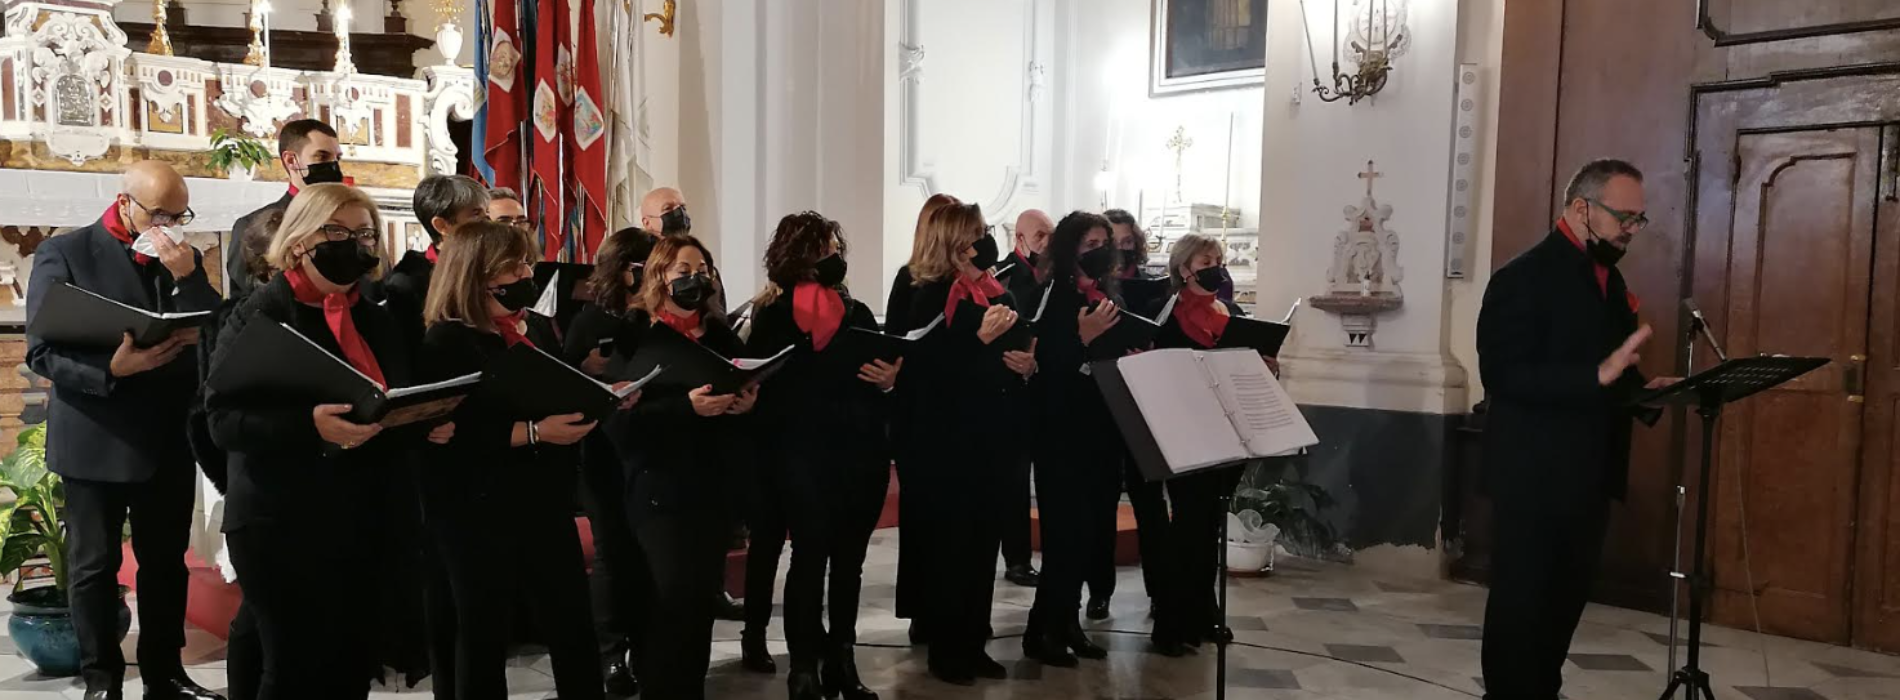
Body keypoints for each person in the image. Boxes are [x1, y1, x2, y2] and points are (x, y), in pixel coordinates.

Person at [205, 184, 453, 699]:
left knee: (351, 660)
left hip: (364, 513)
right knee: (294, 666)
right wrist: (307, 425)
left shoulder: (374, 317)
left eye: (364, 234)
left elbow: (389, 399)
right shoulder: (258, 314)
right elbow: (222, 421)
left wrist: (423, 420)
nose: (353, 244)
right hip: (281, 517)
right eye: (335, 232)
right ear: (299, 240)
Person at [24, 161, 224, 700]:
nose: (169, 224)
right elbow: (42, 351)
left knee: (166, 564)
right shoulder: (65, 253)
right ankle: (101, 680)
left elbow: (215, 332)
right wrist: (110, 370)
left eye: (179, 214)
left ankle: (166, 675)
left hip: (166, 436)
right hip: (95, 432)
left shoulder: (182, 257)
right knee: (94, 567)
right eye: (159, 213)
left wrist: (188, 277)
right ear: (124, 201)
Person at [1477, 159, 1672, 700]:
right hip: (1532, 473)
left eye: (1639, 219)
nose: (1631, 230)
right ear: (1582, 208)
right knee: (1523, 604)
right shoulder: (1521, 278)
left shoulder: (1610, 281)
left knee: (1564, 602)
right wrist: (1598, 375)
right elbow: (1503, 374)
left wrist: (1644, 390)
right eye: (1623, 217)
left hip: (1589, 472)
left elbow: (1613, 374)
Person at [418, 222, 618, 700]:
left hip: (543, 498)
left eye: (526, 262)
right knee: (484, 634)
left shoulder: (533, 331)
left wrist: (598, 398)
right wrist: (534, 432)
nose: (525, 273)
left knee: (571, 623)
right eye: (512, 266)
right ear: (474, 275)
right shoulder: (446, 342)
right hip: (476, 507)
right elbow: (445, 434)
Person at [745, 212, 899, 700]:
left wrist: (891, 379)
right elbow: (762, 388)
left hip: (860, 450)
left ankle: (843, 661)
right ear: (796, 257)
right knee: (810, 558)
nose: (832, 257)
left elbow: (876, 377)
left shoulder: (855, 312)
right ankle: (804, 667)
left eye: (835, 247)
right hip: (802, 453)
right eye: (820, 249)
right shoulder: (773, 315)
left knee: (850, 563)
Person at [603, 235, 759, 700]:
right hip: (658, 484)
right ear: (659, 276)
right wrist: (684, 409)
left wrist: (747, 402)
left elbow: (742, 378)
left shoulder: (717, 332)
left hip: (710, 484)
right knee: (669, 597)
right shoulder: (635, 330)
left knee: (697, 604)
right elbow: (615, 419)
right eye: (683, 270)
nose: (695, 279)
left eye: (702, 270)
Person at [902, 201, 1036, 684]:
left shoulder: (994, 287)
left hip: (994, 432)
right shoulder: (928, 293)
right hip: (946, 439)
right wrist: (974, 340)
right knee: (950, 549)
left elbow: (1016, 348)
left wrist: (1027, 365)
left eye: (982, 232)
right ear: (949, 241)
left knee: (983, 543)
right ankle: (947, 649)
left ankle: (975, 640)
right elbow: (921, 373)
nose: (981, 242)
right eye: (972, 234)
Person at [1147, 233, 1264, 656]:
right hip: (1185, 430)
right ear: (1184, 268)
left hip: (1227, 430)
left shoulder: (1229, 311)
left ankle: (1203, 612)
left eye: (1219, 258)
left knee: (1210, 526)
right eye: (1206, 259)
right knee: (1187, 529)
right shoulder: (1167, 315)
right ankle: (1171, 624)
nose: (1216, 265)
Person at [1023, 211, 1126, 667]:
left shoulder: (1105, 294)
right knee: (1063, 539)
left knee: (1086, 538)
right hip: (1060, 432)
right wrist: (1080, 339)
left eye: (1104, 241)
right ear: (1069, 248)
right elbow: (1042, 365)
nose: (1099, 249)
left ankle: (1068, 624)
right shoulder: (1053, 293)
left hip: (1100, 430)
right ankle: (1039, 630)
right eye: (1089, 243)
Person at [562, 227, 658, 697]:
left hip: (647, 451)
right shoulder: (590, 319)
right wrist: (585, 372)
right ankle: (611, 653)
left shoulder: (653, 319)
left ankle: (645, 646)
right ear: (624, 271)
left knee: (643, 553)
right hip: (602, 451)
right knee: (611, 552)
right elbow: (560, 383)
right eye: (648, 267)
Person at [884, 192, 960, 645]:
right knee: (922, 517)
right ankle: (921, 609)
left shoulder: (973, 281)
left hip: (957, 413)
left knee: (954, 521)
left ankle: (954, 606)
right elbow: (895, 339)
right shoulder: (909, 280)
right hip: (918, 412)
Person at [1089, 209, 1169, 622]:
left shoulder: (1153, 284)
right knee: (1101, 506)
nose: (1119, 250)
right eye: (1110, 243)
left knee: (1149, 503)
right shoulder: (1093, 289)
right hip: (1104, 403)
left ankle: (1160, 591)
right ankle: (1099, 592)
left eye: (1125, 242)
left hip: (1142, 405)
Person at [995, 209, 1052, 589]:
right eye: (1040, 235)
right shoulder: (1001, 279)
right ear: (1020, 239)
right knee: (1013, 481)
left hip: (1044, 386)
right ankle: (1016, 559)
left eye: (1051, 234)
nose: (1047, 242)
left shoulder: (1056, 276)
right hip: (1009, 389)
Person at [227, 119, 341, 300]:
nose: (334, 166)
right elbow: (245, 299)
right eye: (322, 157)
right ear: (291, 160)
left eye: (337, 158)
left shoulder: (350, 219)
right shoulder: (251, 226)